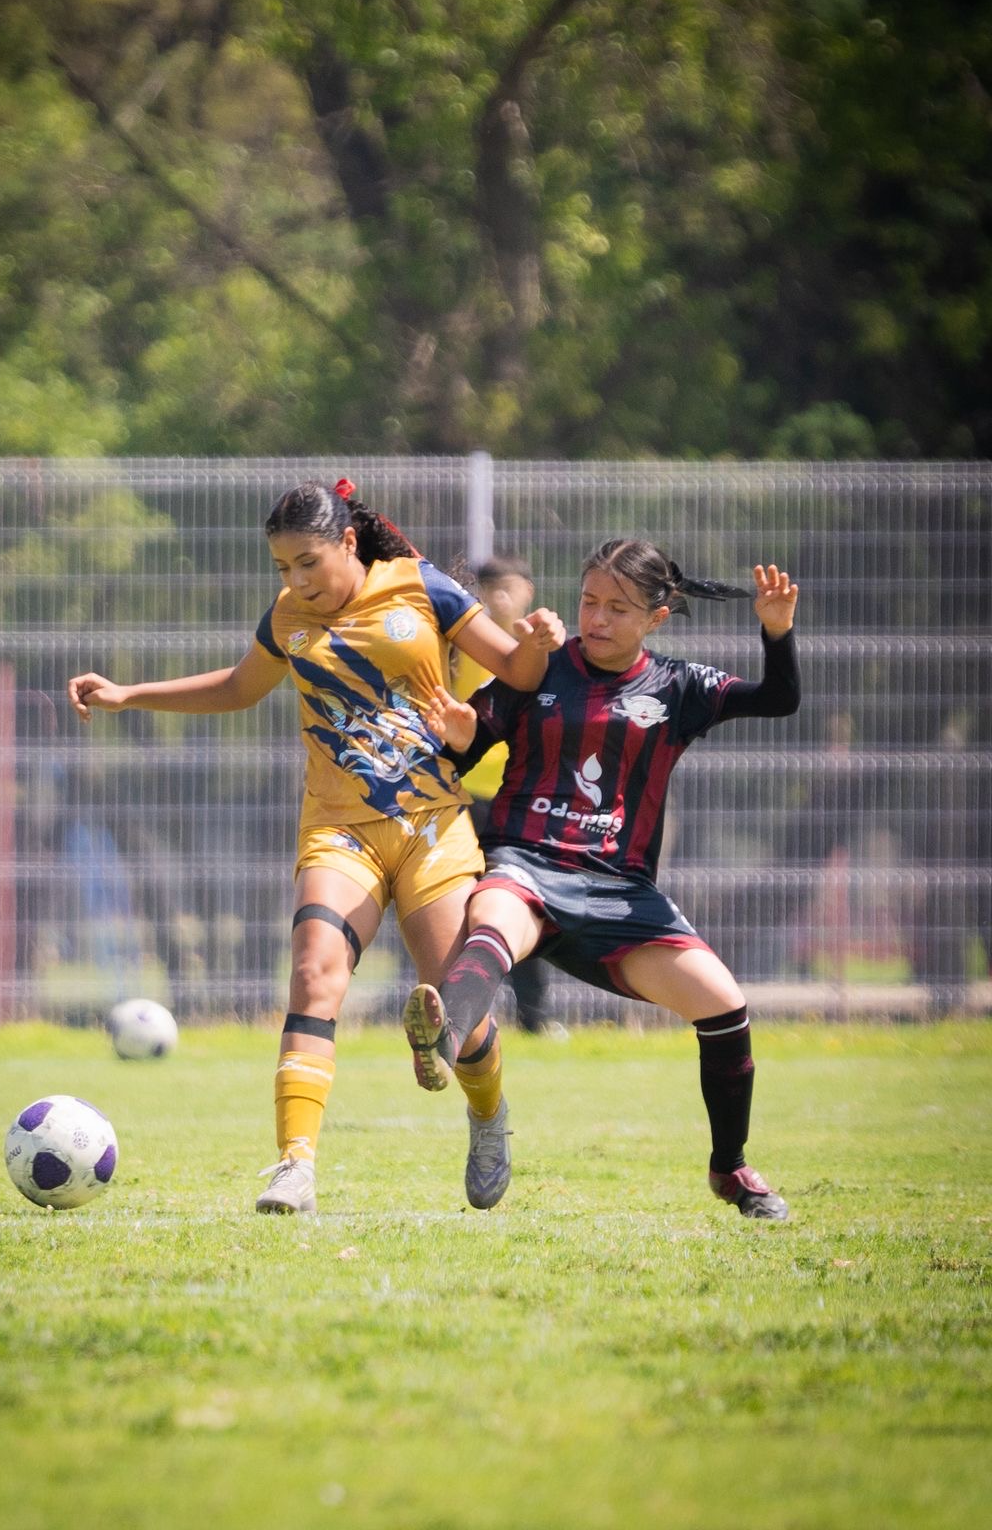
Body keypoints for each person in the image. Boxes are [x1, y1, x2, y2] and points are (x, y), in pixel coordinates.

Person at [68, 479, 565, 1216]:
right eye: (282, 569)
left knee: (456, 1004)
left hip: (432, 826)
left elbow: (521, 671)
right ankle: (293, 1168)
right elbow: (240, 688)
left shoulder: (422, 588)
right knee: (313, 974)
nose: (297, 581)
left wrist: (537, 644)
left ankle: (488, 1119)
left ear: (349, 544)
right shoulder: (289, 618)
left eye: (308, 562)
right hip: (338, 830)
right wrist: (129, 694)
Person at [403, 538, 800, 1219]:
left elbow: (780, 700)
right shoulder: (537, 671)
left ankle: (730, 1169)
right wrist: (461, 738)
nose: (599, 617)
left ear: (657, 618)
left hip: (620, 894)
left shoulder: (681, 687)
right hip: (525, 863)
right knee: (492, 919)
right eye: (590, 600)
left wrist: (776, 631)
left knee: (724, 1005)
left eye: (619, 607)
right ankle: (443, 1039)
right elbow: (457, 761)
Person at [451, 557, 561, 1038]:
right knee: (453, 904)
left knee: (519, 904)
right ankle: (458, 1013)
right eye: (489, 589)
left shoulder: (538, 653)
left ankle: (534, 1017)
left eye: (508, 589)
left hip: (515, 800)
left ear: (528, 591)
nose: (498, 598)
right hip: (460, 796)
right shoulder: (459, 646)